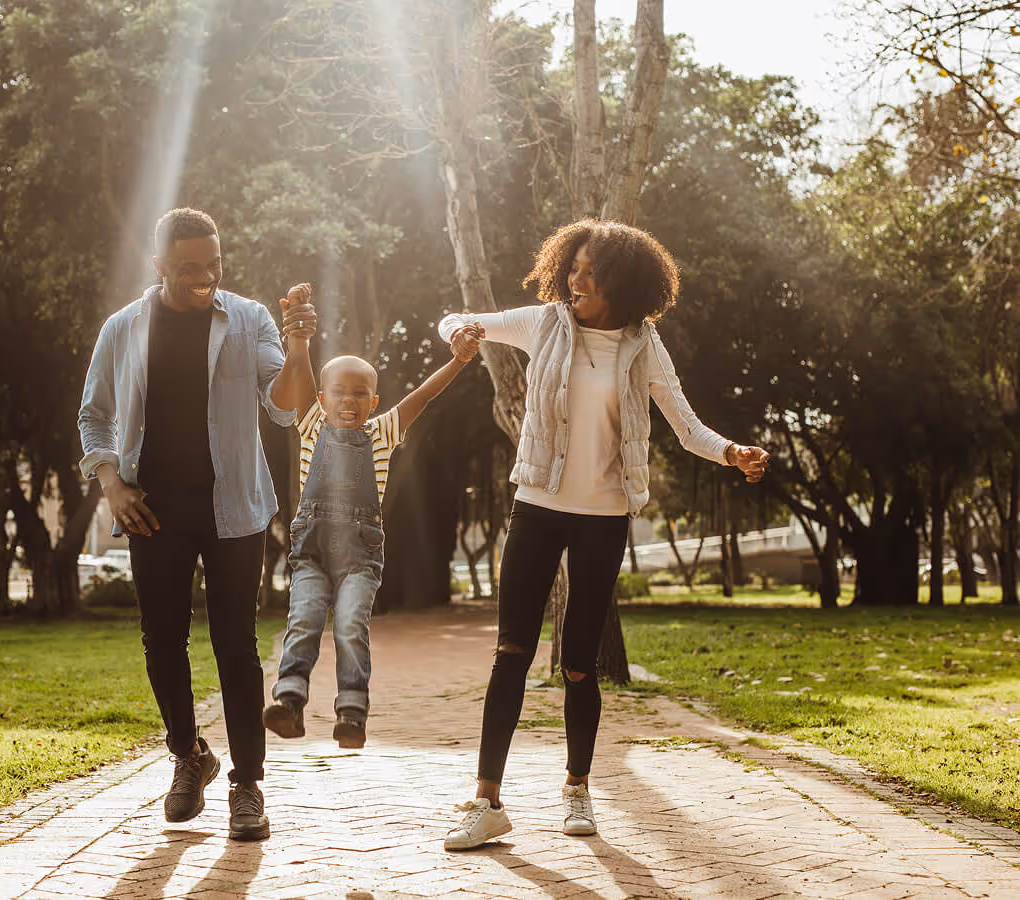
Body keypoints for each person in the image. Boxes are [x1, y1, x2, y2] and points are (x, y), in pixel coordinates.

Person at [436, 219, 770, 850]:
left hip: (603, 519)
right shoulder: (544, 324)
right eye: (573, 267)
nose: (575, 279)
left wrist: (731, 453)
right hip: (536, 506)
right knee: (510, 654)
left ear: (623, 282)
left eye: (590, 272)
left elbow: (686, 426)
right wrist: (460, 332)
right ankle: (486, 802)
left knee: (581, 665)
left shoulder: (643, 346)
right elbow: (456, 317)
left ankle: (577, 790)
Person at [77, 208, 317, 840]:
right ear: (159, 266)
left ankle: (247, 787)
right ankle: (189, 756)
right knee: (162, 642)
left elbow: (286, 406)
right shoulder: (123, 329)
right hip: (152, 510)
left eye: (214, 264)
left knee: (236, 646)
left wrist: (298, 348)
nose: (205, 277)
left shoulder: (249, 319)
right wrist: (111, 486)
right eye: (189, 268)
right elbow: (94, 416)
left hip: (233, 507)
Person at [262, 284, 483, 749]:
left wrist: (459, 361)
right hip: (311, 554)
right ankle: (289, 699)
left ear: (374, 403)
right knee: (303, 618)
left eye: (359, 394)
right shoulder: (311, 422)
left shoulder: (383, 432)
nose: (348, 401)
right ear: (321, 398)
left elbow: (423, 396)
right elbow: (299, 366)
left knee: (348, 625)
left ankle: (352, 712)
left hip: (360, 558)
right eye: (338, 392)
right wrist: (299, 322)